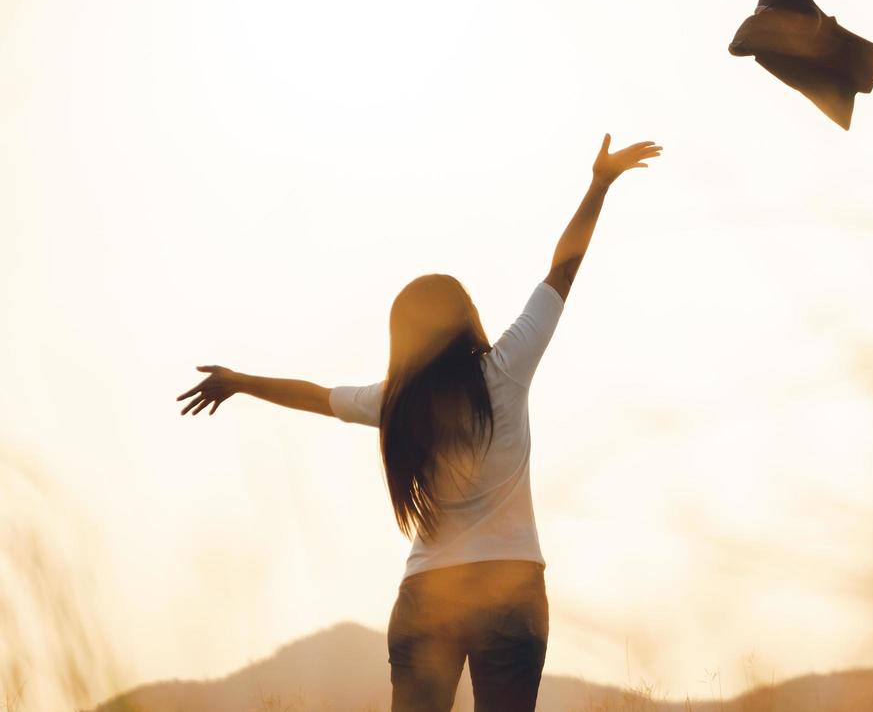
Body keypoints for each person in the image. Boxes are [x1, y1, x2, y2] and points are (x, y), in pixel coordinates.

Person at [176, 133, 662, 712]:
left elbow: (317, 396)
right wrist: (600, 184)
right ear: (469, 319)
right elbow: (563, 268)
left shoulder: (395, 404)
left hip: (427, 593)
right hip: (510, 588)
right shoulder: (505, 370)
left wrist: (239, 381)